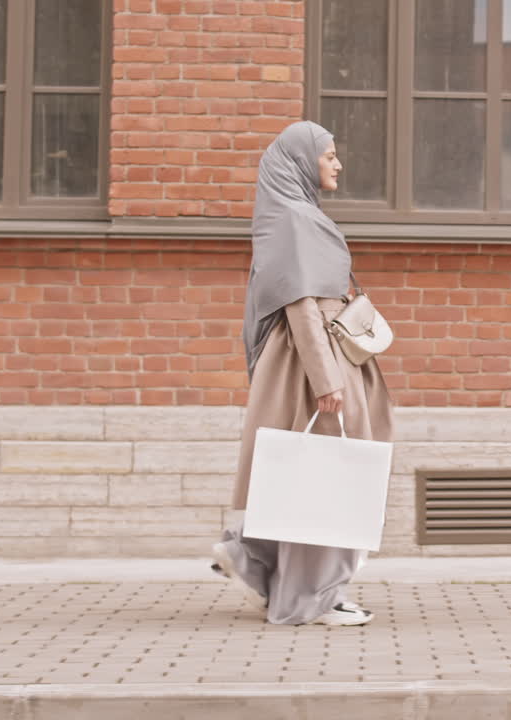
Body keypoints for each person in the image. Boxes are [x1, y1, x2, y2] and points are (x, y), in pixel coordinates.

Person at [211, 120, 393, 626]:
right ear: (300, 161)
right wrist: (326, 379)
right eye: (329, 155)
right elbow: (302, 305)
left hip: (313, 358)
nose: (338, 163)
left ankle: (255, 560)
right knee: (329, 470)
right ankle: (311, 599)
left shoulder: (294, 214)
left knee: (307, 468)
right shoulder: (294, 218)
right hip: (314, 360)